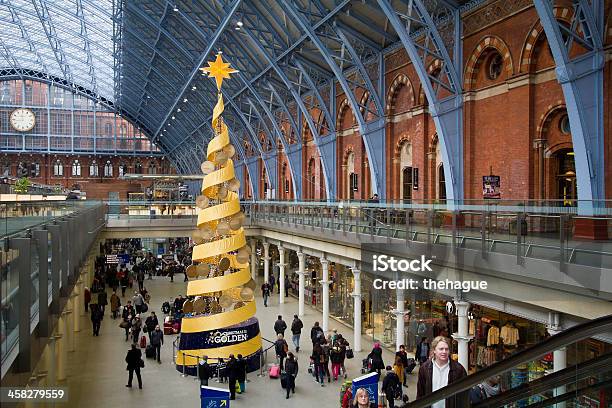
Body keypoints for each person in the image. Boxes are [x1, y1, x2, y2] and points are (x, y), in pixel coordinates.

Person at [416, 336, 468, 408]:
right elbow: (420, 394)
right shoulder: (424, 369)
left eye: (446, 349)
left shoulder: (458, 369)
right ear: (434, 350)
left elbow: (464, 395)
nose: (444, 352)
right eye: (441, 349)